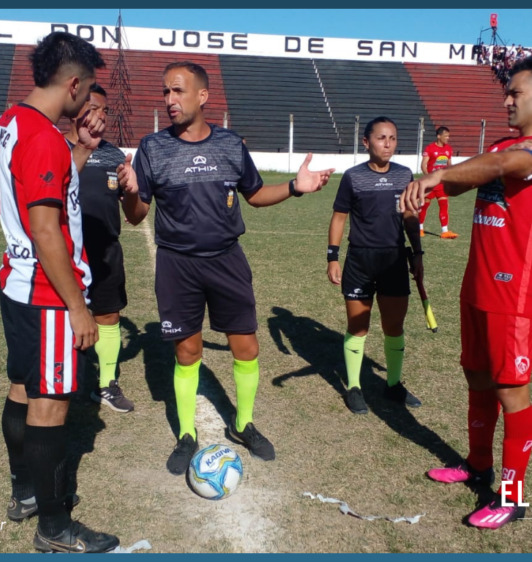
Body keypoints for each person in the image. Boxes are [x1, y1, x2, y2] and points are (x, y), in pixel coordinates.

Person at [116, 61, 334, 475]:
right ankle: (186, 433)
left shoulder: (231, 144)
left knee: (246, 347)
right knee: (187, 352)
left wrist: (293, 187)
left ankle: (244, 423)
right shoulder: (152, 148)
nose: (169, 100)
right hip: (177, 265)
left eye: (178, 91)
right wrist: (129, 191)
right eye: (166, 92)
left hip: (227, 260)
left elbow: (254, 194)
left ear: (202, 96)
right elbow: (135, 213)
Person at [401, 56, 532, 530]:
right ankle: (478, 464)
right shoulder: (501, 143)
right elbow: (462, 182)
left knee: (511, 391)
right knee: (476, 377)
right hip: (477, 281)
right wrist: (426, 186)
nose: (506, 100)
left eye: (515, 93)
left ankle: (513, 497)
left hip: (512, 291)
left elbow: (500, 165)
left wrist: (440, 176)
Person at [0, 31, 119, 553]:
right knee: (50, 407)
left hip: (15, 284)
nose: (88, 104)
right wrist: (78, 307)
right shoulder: (42, 136)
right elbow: (46, 230)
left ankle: (24, 494)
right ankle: (54, 527)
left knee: (22, 389)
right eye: (87, 92)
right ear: (71, 83)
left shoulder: (10, 123)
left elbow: (53, 192)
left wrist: (82, 151)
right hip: (47, 295)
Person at [327, 117, 423, 415]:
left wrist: (417, 254)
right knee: (358, 327)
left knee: (394, 326)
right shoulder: (353, 177)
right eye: (382, 138)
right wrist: (332, 256)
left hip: (394, 260)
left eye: (393, 138)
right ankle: (354, 387)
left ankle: (392, 384)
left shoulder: (404, 174)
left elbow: (409, 216)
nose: (388, 144)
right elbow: (340, 217)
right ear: (366, 142)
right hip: (360, 261)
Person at [64, 84, 134, 413]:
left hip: (106, 250)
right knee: (62, 317)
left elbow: (134, 215)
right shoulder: (56, 147)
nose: (101, 116)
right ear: (76, 107)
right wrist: (80, 148)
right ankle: (61, 380)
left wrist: (130, 191)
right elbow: (57, 188)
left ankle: (106, 385)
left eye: (105, 110)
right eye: (93, 108)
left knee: (107, 316)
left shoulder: (114, 154)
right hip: (65, 252)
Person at [420, 126, 457, 239]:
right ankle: (419, 228)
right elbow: (423, 165)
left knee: (444, 205)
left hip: (441, 184)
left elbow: (449, 165)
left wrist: (449, 177)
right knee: (425, 205)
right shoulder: (430, 148)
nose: (448, 138)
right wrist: (429, 178)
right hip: (431, 184)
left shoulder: (448, 149)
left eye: (448, 136)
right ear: (438, 136)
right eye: (445, 136)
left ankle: (444, 231)